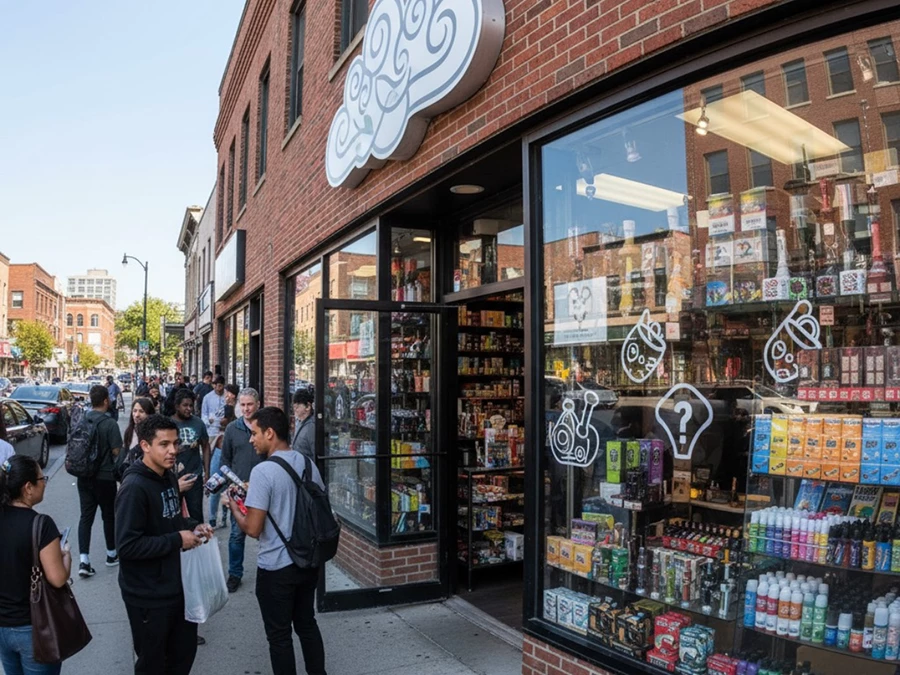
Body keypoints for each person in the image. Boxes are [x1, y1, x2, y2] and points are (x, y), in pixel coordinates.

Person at [225, 407, 326, 675]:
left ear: (270, 433)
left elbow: (254, 529)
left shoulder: (263, 472)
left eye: (255, 433)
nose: (251, 439)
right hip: (308, 561)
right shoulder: (307, 463)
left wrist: (234, 505)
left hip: (276, 567)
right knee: (307, 624)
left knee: (279, 637)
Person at [116, 415, 213, 675]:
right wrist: (177, 540)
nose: (173, 450)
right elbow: (126, 546)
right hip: (147, 594)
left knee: (183, 654)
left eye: (176, 443)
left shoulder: (168, 476)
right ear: (145, 445)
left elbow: (170, 518)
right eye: (164, 444)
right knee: (153, 663)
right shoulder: (134, 487)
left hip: (176, 586)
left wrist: (192, 525)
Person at [0, 455, 71, 675]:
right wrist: (66, 557)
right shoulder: (41, 524)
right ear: (28, 487)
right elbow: (57, 579)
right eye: (42, 479)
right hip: (34, 628)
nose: (45, 483)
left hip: (2, 627)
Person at [76, 385, 124, 577]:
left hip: (83, 476)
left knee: (85, 517)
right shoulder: (109, 424)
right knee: (108, 515)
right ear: (105, 400)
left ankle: (83, 560)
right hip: (105, 477)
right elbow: (117, 452)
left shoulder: (82, 419)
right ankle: (111, 554)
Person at [220, 387, 262, 592]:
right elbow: (225, 461)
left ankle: (268, 572)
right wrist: (230, 487)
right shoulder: (232, 429)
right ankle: (235, 574)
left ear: (258, 405)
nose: (246, 409)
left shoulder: (265, 428)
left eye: (249, 404)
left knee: (267, 533)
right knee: (237, 535)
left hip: (263, 489)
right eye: (242, 405)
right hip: (239, 492)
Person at [170, 389, 210, 524]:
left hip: (194, 475)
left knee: (196, 515)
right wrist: (181, 448)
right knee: (173, 515)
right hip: (173, 478)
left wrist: (206, 472)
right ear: (177, 406)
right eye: (185, 405)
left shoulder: (198, 423)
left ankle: (198, 542)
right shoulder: (168, 424)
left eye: (191, 406)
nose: (188, 409)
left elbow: (205, 447)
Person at [207, 403, 237, 529]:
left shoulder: (229, 433)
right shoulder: (221, 433)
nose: (220, 420)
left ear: (229, 418)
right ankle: (213, 519)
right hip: (220, 460)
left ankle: (221, 518)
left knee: (224, 491)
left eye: (223, 417)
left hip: (224, 461)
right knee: (215, 490)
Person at [290, 389, 315, 462]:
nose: (295, 410)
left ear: (308, 407)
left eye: (297, 407)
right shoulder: (300, 422)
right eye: (294, 407)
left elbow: (315, 453)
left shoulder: (311, 427)